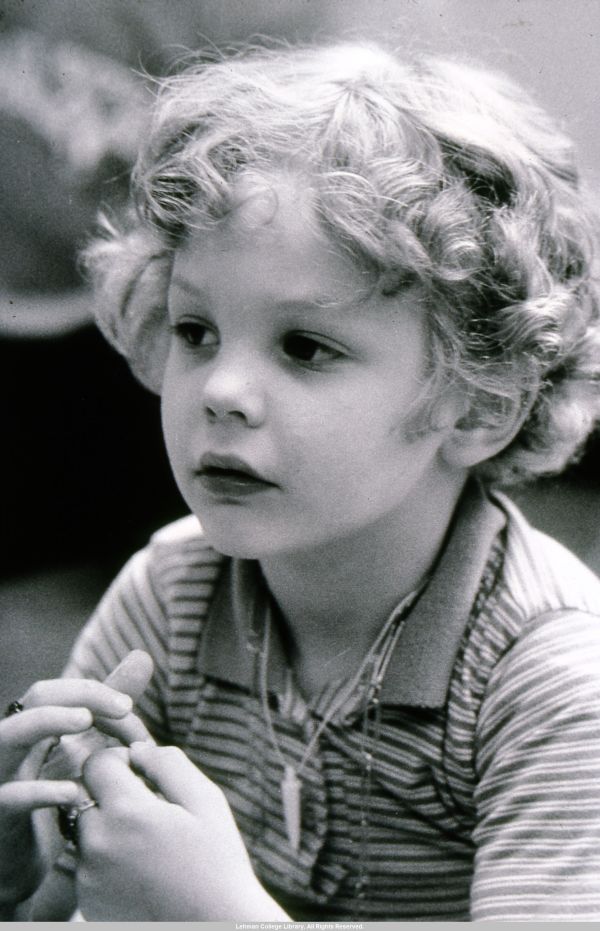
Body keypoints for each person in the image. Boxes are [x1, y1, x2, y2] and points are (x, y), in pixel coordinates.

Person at [1, 40, 600, 922]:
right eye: (197, 330)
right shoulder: (170, 593)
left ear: (478, 404)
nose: (221, 391)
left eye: (306, 347)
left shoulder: (549, 681)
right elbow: (75, 900)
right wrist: (23, 883)